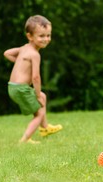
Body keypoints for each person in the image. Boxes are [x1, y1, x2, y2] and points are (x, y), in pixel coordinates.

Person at [4, 15, 62, 144]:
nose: (46, 39)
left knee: (43, 96)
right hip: (20, 89)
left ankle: (45, 128)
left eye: (48, 35)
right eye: (41, 36)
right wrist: (36, 95)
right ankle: (24, 140)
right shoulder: (35, 54)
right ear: (30, 36)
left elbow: (7, 53)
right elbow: (36, 77)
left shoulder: (24, 48)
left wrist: (20, 64)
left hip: (13, 86)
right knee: (39, 112)